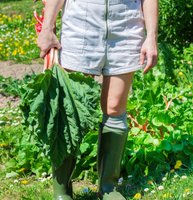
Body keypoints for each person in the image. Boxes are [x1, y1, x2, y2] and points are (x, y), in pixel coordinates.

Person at [37, 0, 158, 199]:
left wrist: (151, 36)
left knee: (114, 108)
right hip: (81, 25)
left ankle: (108, 188)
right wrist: (47, 27)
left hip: (126, 27)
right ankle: (62, 190)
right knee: (70, 109)